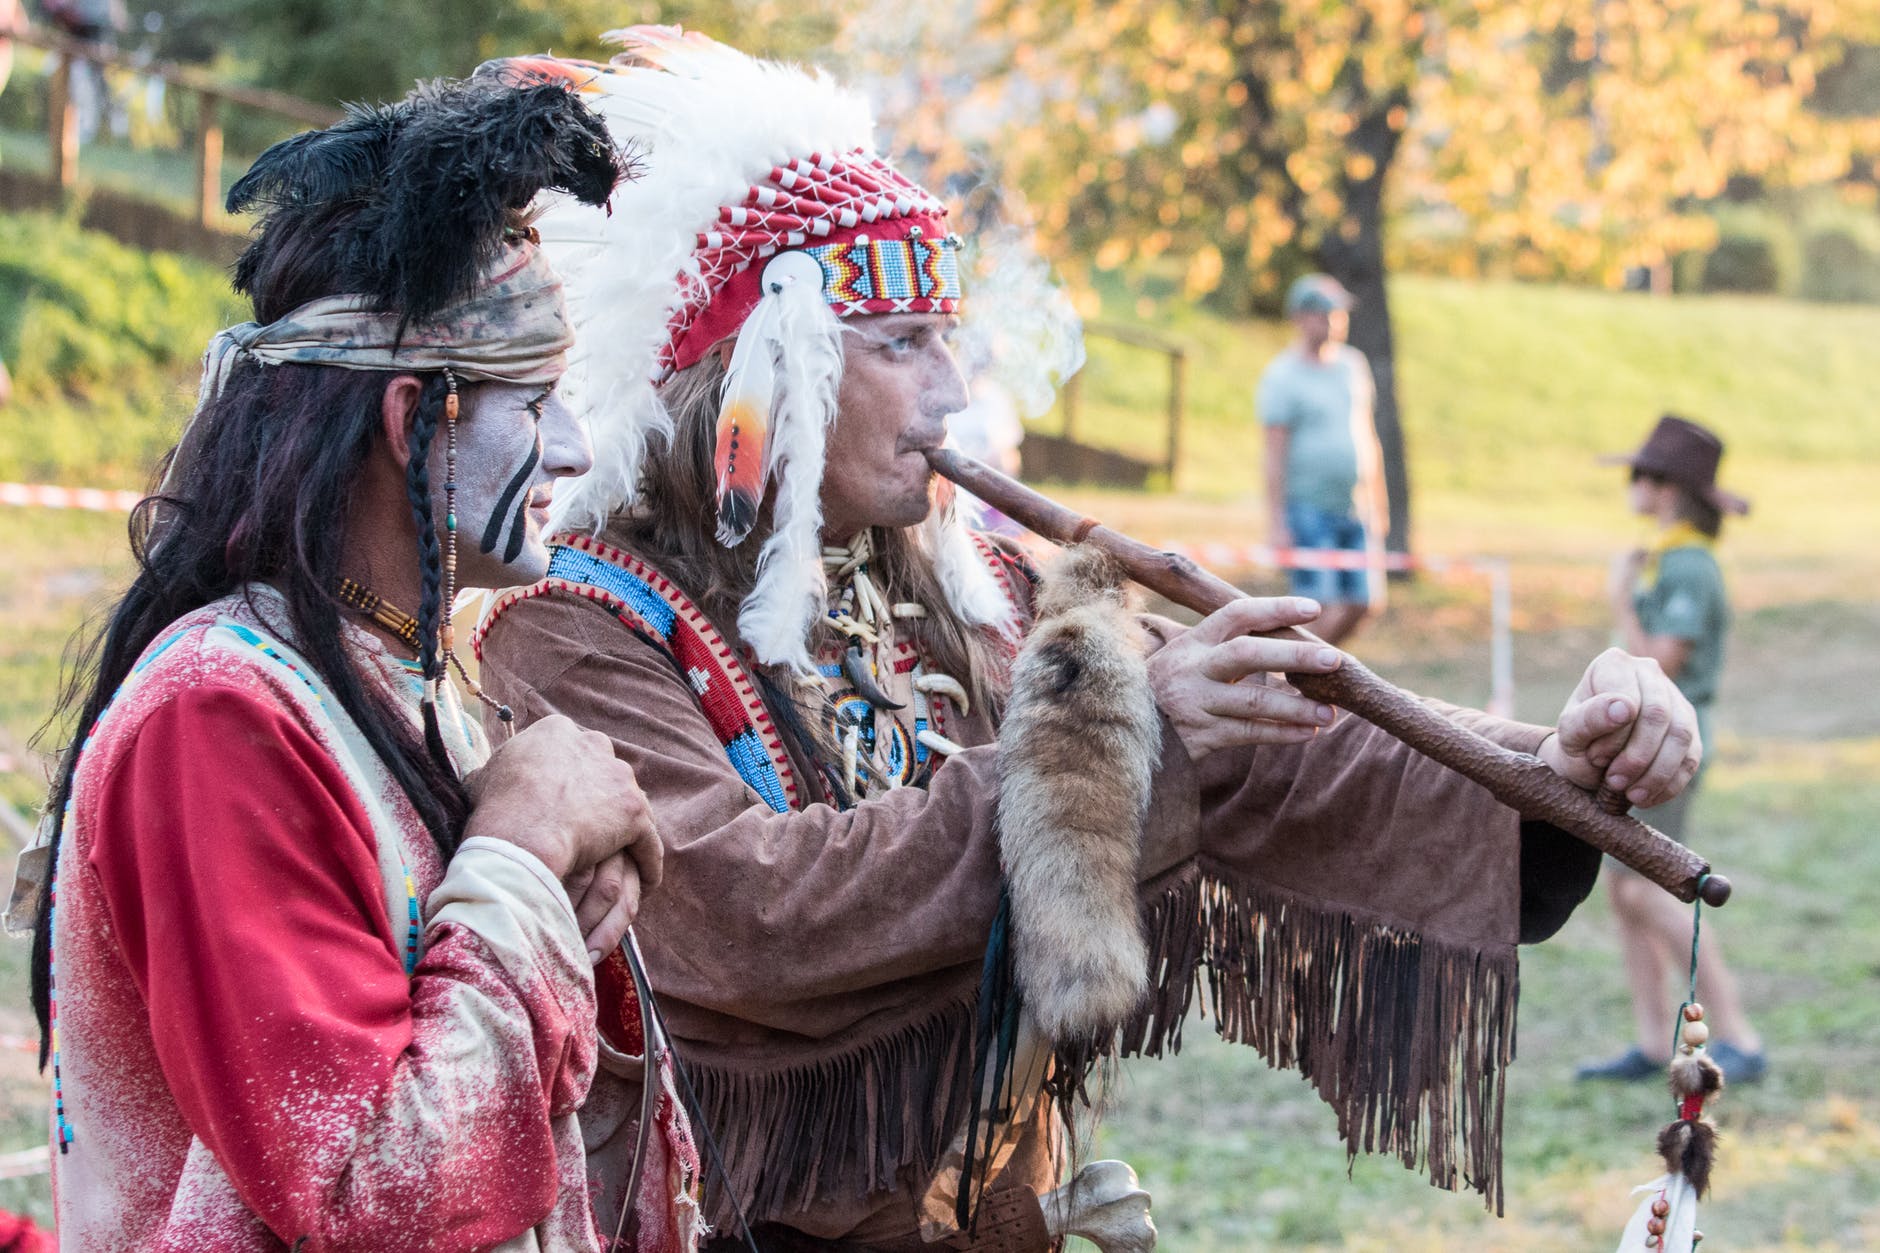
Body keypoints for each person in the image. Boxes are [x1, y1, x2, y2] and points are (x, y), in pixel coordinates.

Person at [476, 33, 1703, 1251]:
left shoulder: (983, 581)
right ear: (765, 376)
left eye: (948, 341)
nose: (952, 393)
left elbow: (1273, 745)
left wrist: (1548, 766)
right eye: (900, 345)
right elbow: (743, 915)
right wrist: (1114, 737)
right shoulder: (580, 631)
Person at [6, 76, 693, 1250]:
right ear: (409, 418)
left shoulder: (386, 676)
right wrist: (525, 848)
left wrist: (571, 880)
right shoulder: (214, 715)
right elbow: (369, 1188)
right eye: (532, 402)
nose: (575, 447)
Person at [1578, 414, 1766, 1084]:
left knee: (1655, 889)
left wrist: (1622, 597)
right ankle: (1655, 1038)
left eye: (1641, 474)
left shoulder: (1688, 564)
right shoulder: (1671, 554)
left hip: (1671, 743)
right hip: (1647, 742)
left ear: (1668, 490)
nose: (1632, 485)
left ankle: (1737, 1033)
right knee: (1625, 891)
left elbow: (1661, 659)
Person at [1257, 272, 1388, 646]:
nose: (1332, 321)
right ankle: (1295, 683)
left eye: (1338, 313)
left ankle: (1316, 677)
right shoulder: (1282, 376)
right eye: (1323, 313)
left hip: (1354, 507)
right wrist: (1277, 521)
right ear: (1299, 317)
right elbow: (1273, 453)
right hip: (1308, 509)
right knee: (1318, 606)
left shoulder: (1353, 367)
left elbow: (1368, 436)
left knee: (1365, 601)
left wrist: (1379, 503)